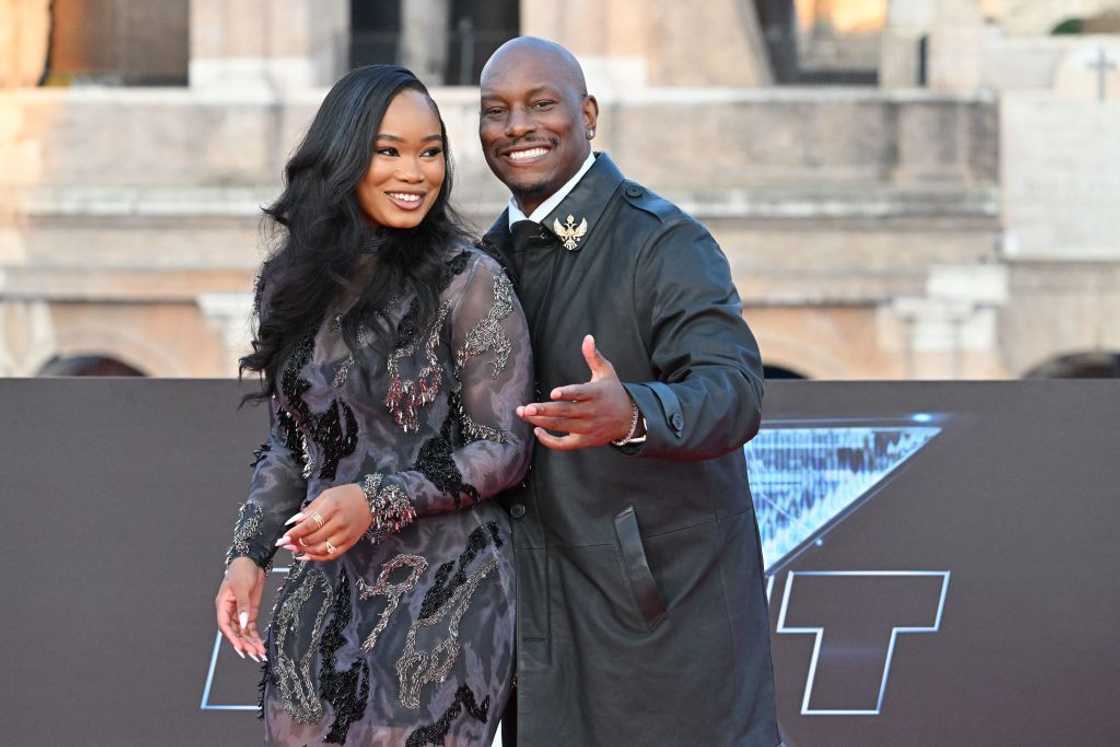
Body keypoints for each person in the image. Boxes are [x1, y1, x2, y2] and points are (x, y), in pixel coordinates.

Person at [214, 65, 532, 746]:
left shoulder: (470, 279)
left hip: (449, 587)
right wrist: (249, 552)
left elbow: (503, 448)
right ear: (345, 156)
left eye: (430, 151)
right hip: (327, 581)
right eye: (388, 151)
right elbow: (289, 443)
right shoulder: (288, 284)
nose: (414, 172)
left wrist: (376, 499)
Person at [477, 38, 780, 745]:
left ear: (588, 115)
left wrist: (635, 412)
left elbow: (734, 388)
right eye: (496, 110)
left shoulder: (663, 241)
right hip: (537, 624)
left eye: (541, 104)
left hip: (663, 628)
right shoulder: (479, 267)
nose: (518, 126)